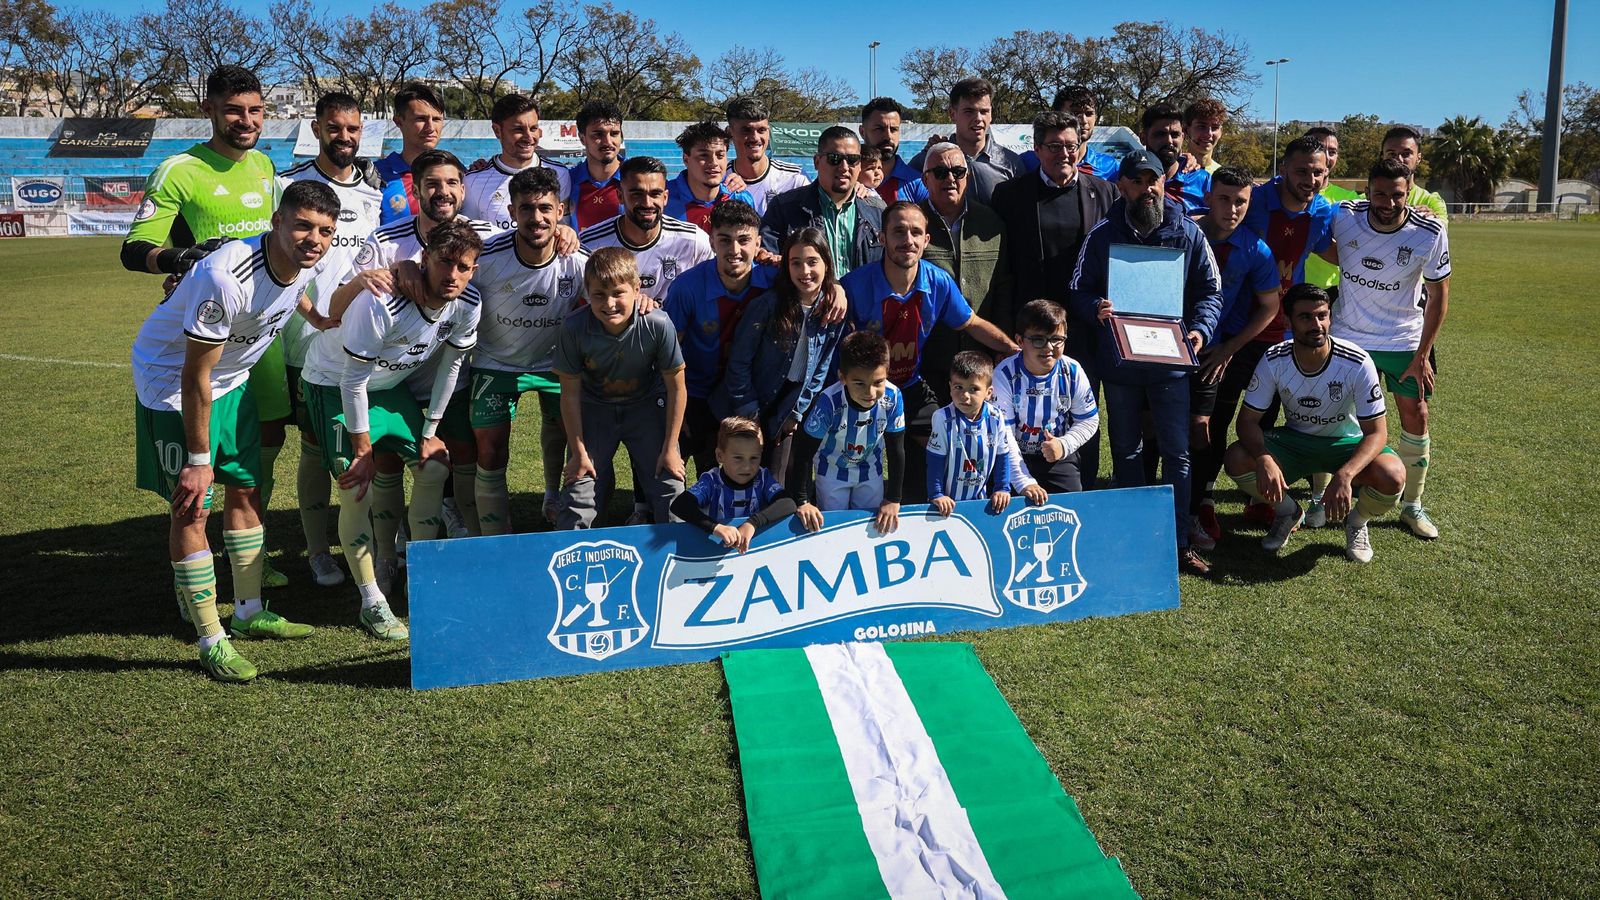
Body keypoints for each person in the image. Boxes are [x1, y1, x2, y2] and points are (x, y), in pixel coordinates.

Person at [130, 180, 338, 682]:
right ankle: (210, 638)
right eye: (303, 226)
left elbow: (296, 291)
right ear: (277, 224)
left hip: (233, 380)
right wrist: (199, 462)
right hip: (171, 386)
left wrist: (324, 320)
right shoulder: (226, 276)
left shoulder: (300, 261)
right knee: (193, 504)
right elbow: (194, 373)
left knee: (246, 490)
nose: (314, 239)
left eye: (325, 231)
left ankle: (247, 612)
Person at [122, 64, 295, 589]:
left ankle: (247, 556)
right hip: (206, 330)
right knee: (197, 470)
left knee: (261, 444)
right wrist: (184, 259)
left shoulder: (265, 166)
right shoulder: (180, 169)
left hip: (259, 335)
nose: (246, 121)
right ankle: (195, 565)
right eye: (234, 110)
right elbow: (134, 250)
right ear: (209, 111)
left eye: (255, 111)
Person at [302, 220, 482, 640]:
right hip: (332, 384)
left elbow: (452, 365)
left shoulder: (469, 302)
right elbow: (352, 382)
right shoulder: (381, 302)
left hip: (389, 388)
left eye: (464, 267)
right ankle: (372, 602)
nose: (453, 275)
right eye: (445, 262)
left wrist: (430, 431)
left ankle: (421, 573)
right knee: (354, 486)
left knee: (435, 466)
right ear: (424, 259)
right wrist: (363, 452)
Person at [1070, 149, 1223, 576]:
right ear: (1122, 186)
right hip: (1120, 364)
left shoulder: (1188, 232)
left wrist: (1199, 331)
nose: (1146, 189)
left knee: (1177, 455)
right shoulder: (1102, 235)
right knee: (1126, 451)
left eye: (1152, 180)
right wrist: (1094, 307)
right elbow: (1078, 289)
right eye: (1136, 181)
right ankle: (1131, 540)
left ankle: (1175, 543)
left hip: (1171, 363)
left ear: (1162, 182)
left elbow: (1211, 292)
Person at [278, 91, 388, 588]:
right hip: (303, 341)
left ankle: (371, 542)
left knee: (357, 445)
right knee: (313, 449)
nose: (344, 137)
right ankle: (318, 551)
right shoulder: (290, 185)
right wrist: (310, 313)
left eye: (353, 129)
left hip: (359, 342)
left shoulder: (373, 192)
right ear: (317, 127)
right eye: (335, 127)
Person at [843, 201, 1019, 502]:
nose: (907, 240)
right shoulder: (854, 286)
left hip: (910, 385)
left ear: (926, 240)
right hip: (862, 391)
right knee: (849, 463)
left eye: (915, 232)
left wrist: (1015, 349)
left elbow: (972, 323)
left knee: (938, 448)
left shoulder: (936, 281)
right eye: (898, 231)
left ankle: (927, 507)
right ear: (882, 237)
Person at [1223, 284, 1405, 563]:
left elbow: (1377, 433)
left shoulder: (1357, 361)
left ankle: (1356, 522)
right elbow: (1247, 421)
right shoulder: (1274, 359)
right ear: (1287, 321)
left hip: (1345, 443)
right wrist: (1263, 458)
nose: (1317, 324)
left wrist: (1345, 475)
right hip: (1296, 443)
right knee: (1237, 458)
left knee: (1392, 475)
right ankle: (1288, 512)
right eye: (1306, 317)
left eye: (1322, 315)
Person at [1319, 158, 1452, 539]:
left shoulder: (1429, 230)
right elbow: (1321, 237)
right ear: (1367, 191)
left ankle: (1412, 505)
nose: (1388, 202)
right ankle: (1317, 496)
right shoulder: (1345, 215)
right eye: (1380, 193)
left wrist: (1424, 353)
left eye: (1397, 194)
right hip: (1349, 335)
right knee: (1332, 415)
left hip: (1402, 341)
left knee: (1417, 415)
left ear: (1409, 190)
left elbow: (1441, 294)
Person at [989, 110, 1114, 482]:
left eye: (1071, 146)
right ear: (1037, 148)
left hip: (1084, 328)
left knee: (1081, 416)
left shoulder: (1104, 193)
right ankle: (1017, 486)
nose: (1064, 153)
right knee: (1019, 418)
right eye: (1055, 146)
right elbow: (1002, 267)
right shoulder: (1010, 195)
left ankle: (1081, 489)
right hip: (1030, 329)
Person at [468, 167, 590, 533]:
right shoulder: (486, 258)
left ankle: (556, 500)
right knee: (489, 451)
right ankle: (496, 536)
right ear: (511, 212)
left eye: (545, 209)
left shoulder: (578, 262)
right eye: (526, 209)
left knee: (570, 437)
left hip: (556, 365)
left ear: (560, 210)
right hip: (495, 362)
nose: (536, 218)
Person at [1238, 135, 1337, 525]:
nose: (1310, 179)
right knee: (1215, 415)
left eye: (1318, 172)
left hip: (1283, 332)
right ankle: (1203, 500)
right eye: (1302, 170)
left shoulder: (1324, 212)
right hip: (1238, 325)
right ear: (1283, 170)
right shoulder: (1257, 200)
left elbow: (1341, 245)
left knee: (1267, 416)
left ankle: (1263, 498)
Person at [553, 248, 687, 529]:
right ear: (587, 293)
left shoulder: (657, 324)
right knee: (579, 492)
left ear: (637, 289)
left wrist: (671, 447)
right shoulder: (574, 328)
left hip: (645, 407)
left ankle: (678, 561)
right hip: (595, 409)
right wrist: (577, 451)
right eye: (599, 294)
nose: (609, 303)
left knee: (670, 488)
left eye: (618, 293)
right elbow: (570, 393)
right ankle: (571, 558)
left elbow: (676, 388)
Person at [1186, 167, 1282, 548]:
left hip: (1216, 350)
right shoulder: (1184, 231)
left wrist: (1230, 347)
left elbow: (1270, 307)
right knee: (1155, 425)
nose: (1232, 208)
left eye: (1241, 201)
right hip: (1171, 344)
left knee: (1206, 429)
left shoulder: (1256, 249)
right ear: (1209, 197)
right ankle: (1154, 500)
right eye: (1224, 199)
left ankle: (1199, 503)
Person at [716, 228, 847, 466]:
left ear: (827, 264)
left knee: (777, 479)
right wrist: (749, 414)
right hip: (749, 397)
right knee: (741, 472)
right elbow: (739, 362)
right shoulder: (767, 305)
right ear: (786, 266)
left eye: (812, 262)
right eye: (796, 263)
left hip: (788, 403)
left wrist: (796, 412)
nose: (805, 271)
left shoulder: (832, 310)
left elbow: (821, 368)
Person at [663, 200, 776, 474]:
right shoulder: (686, 288)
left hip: (749, 393)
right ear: (712, 242)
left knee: (743, 479)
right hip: (694, 395)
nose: (734, 250)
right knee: (668, 470)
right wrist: (672, 405)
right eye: (725, 240)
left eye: (744, 240)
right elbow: (666, 354)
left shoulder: (775, 281)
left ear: (758, 242)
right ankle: (644, 508)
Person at [917, 140, 1014, 399]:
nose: (950, 178)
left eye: (957, 172)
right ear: (925, 180)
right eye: (940, 172)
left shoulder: (991, 223)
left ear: (967, 178)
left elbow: (1003, 286)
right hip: (927, 360)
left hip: (980, 358)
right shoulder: (913, 225)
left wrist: (1000, 345)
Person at [789, 331, 905, 535]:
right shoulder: (828, 402)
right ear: (843, 377)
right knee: (834, 531)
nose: (870, 393)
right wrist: (803, 501)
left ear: (887, 373)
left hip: (871, 470)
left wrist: (893, 498)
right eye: (859, 383)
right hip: (831, 472)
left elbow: (897, 449)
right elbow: (803, 453)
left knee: (872, 527)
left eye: (878, 382)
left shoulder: (893, 397)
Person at [992, 299, 1099, 493]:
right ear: (1020, 341)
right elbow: (1003, 433)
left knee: (1072, 508)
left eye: (1056, 339)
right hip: (1012, 454)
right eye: (1038, 339)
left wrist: (1063, 445)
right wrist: (1024, 481)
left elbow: (1089, 420)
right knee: (1002, 507)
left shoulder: (1072, 371)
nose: (1048, 347)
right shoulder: (1004, 375)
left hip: (1056, 454)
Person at [580, 156, 713, 307]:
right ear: (620, 196)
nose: (647, 203)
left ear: (665, 197)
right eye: (637, 194)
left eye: (655, 194)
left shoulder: (694, 241)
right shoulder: (589, 244)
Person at [927, 351, 1048, 514]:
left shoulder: (996, 417)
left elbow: (1002, 455)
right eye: (958, 387)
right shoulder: (942, 418)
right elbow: (935, 460)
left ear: (988, 392)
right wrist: (936, 494)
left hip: (979, 501)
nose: (965, 396)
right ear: (950, 387)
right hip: (945, 504)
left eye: (974, 389)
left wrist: (1002, 488)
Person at [761, 127, 885, 278]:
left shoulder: (878, 212)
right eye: (835, 159)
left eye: (852, 159)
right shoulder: (783, 208)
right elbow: (768, 265)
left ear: (859, 165)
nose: (844, 167)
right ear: (817, 162)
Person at [669, 416, 797, 553]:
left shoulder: (763, 478)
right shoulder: (712, 481)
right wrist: (716, 527)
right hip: (715, 550)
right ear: (720, 456)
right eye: (738, 458)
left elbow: (788, 503)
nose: (747, 467)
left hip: (753, 550)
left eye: (754, 458)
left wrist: (752, 523)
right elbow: (680, 505)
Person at [460, 93, 572, 233]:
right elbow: (469, 237)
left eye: (533, 128)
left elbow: (564, 230)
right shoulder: (473, 180)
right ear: (497, 131)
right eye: (518, 129)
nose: (528, 137)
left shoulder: (560, 173)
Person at [911, 77, 1023, 204]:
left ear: (991, 114)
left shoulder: (1011, 163)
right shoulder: (926, 160)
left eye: (984, 111)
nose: (978, 118)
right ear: (952, 114)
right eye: (969, 111)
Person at [1301, 126, 1361, 295]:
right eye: (1320, 148)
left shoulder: (1351, 199)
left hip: (1332, 291)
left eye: (1332, 152)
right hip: (1289, 285)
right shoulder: (1282, 193)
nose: (1326, 157)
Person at [725, 96, 810, 216]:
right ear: (730, 132)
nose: (755, 138)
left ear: (769, 132)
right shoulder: (721, 181)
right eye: (746, 130)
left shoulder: (796, 178)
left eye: (761, 130)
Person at [666, 121, 756, 233]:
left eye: (720, 155)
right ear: (686, 159)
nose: (714, 163)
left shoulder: (740, 198)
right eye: (704, 155)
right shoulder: (662, 198)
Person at [375, 82, 446, 219]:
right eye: (421, 119)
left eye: (437, 119)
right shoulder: (376, 176)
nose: (430, 127)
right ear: (399, 121)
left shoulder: (457, 173)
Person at [1019, 86, 1119, 181]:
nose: (1084, 120)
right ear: (1056, 115)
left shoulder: (1110, 167)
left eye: (1089, 113)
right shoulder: (1026, 161)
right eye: (1075, 113)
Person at [568, 100, 627, 231]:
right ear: (583, 139)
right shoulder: (567, 180)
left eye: (614, 133)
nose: (608, 142)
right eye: (598, 134)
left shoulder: (637, 178)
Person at [1142, 102, 1209, 214]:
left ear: (1183, 137)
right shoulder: (1128, 178)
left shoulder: (1203, 181)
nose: (1169, 141)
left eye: (1175, 135)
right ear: (1143, 138)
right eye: (1160, 134)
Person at [859, 96, 928, 204]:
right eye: (879, 129)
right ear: (862, 132)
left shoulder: (916, 182)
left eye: (894, 129)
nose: (888, 136)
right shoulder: (845, 177)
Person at [1380, 125, 1449, 222]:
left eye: (1406, 154)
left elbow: (1442, 230)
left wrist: (1434, 221)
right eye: (1392, 154)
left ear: (1418, 158)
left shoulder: (1431, 201)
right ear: (1382, 157)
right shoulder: (1363, 200)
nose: (1399, 160)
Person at [1183, 98, 1227, 174]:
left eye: (1215, 128)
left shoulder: (1223, 176)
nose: (1209, 133)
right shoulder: (1172, 169)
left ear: (1221, 132)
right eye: (1201, 126)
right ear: (1186, 130)